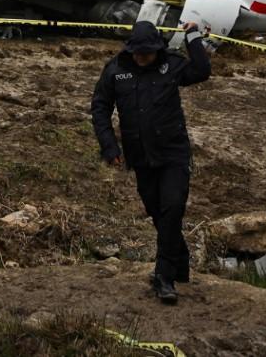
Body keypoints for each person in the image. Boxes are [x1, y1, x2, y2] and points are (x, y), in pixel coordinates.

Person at [90, 20, 210, 304]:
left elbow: (202, 71)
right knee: (157, 212)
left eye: (149, 53)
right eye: (139, 53)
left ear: (157, 49)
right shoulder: (115, 70)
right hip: (140, 156)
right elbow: (100, 107)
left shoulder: (172, 66)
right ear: (131, 49)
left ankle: (163, 277)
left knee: (173, 207)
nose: (143, 58)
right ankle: (180, 264)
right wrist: (109, 146)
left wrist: (192, 35)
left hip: (173, 153)